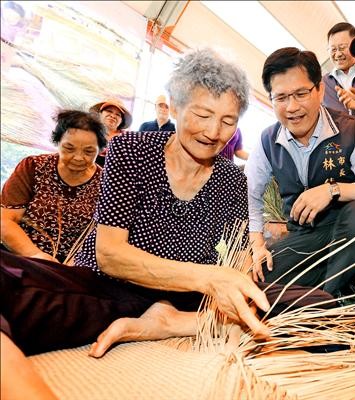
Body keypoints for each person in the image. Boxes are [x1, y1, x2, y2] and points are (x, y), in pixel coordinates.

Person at [1, 48, 333, 372]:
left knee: (317, 306)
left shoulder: (231, 178)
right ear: (174, 106)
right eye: (203, 115)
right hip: (112, 287)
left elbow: (239, 259)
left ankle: (173, 322)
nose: (214, 132)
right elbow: (110, 255)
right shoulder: (130, 149)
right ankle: (167, 315)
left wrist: (216, 299)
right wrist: (210, 278)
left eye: (228, 121)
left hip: (191, 297)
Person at [246, 47, 355, 296]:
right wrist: (257, 245)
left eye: (300, 93)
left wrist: (333, 190)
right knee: (260, 283)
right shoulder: (267, 141)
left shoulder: (352, 130)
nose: (292, 107)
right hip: (305, 239)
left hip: (351, 231)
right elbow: (250, 197)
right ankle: (331, 294)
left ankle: (327, 294)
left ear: (319, 90)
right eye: (281, 97)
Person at [1, 110, 106, 263]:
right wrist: (35, 255)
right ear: (57, 142)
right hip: (24, 256)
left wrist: (75, 263)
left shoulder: (106, 182)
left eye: (89, 152)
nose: (78, 157)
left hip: (75, 265)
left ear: (100, 151)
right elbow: (6, 220)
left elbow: (104, 235)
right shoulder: (33, 167)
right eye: (69, 148)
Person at [89, 97, 132, 167]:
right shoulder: (89, 131)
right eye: (109, 111)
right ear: (100, 113)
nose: (112, 116)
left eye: (118, 114)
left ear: (121, 121)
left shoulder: (127, 138)